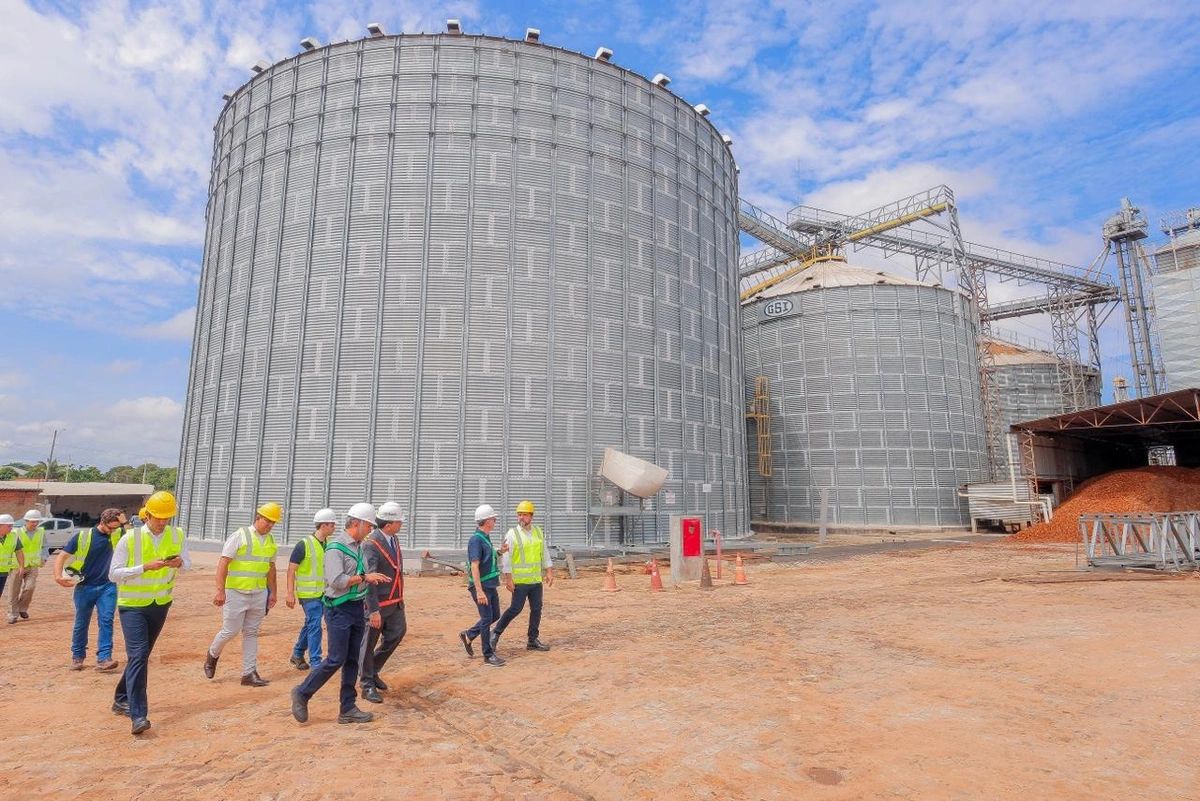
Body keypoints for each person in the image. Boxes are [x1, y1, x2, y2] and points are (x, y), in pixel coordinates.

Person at [290, 503, 386, 725]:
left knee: (352, 659)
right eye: (368, 526)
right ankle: (302, 692)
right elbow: (336, 581)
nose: (370, 530)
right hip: (338, 609)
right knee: (335, 658)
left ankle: (348, 707)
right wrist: (364, 578)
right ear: (356, 523)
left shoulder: (360, 547)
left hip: (356, 607)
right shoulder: (336, 548)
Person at [109, 490, 190, 735]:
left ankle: (121, 697)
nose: (163, 522)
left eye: (167, 518)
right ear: (148, 515)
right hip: (132, 606)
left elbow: (187, 563)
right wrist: (144, 567)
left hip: (160, 604)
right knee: (139, 655)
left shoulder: (177, 535)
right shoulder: (129, 539)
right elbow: (113, 574)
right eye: (159, 518)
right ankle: (138, 715)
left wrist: (179, 563)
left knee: (140, 657)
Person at [203, 502, 281, 687]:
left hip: (258, 592)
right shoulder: (240, 536)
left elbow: (271, 569)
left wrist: (273, 592)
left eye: (273, 522)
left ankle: (248, 673)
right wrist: (220, 590)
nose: (270, 525)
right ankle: (212, 655)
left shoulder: (270, 541)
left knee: (251, 632)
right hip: (235, 592)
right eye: (267, 520)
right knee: (230, 631)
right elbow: (223, 563)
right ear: (257, 518)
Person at [52, 508, 126, 671]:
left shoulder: (118, 534)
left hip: (108, 586)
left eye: (116, 528)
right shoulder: (83, 536)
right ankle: (77, 656)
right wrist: (58, 576)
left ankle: (104, 658)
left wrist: (124, 522)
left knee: (106, 621)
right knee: (81, 622)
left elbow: (135, 540)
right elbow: (62, 556)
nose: (113, 531)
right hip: (84, 587)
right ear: (102, 522)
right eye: (111, 528)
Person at [359, 501, 407, 704]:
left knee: (397, 634)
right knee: (368, 643)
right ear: (388, 524)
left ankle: (373, 668)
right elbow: (370, 578)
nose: (401, 525)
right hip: (378, 604)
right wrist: (373, 610)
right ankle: (366, 683)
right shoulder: (371, 544)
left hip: (395, 602)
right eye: (398, 522)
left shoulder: (393, 539)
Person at [491, 500, 554, 654]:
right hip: (520, 581)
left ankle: (532, 640)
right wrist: (508, 579)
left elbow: (544, 553)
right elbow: (506, 557)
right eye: (519, 514)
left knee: (537, 609)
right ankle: (495, 634)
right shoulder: (512, 534)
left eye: (524, 514)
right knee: (515, 608)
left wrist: (549, 571)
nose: (521, 517)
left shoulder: (538, 532)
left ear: (531, 516)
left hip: (535, 580)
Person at [286, 508, 336, 671]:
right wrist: (290, 593)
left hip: (323, 593)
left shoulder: (328, 544)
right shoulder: (304, 544)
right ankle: (316, 661)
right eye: (332, 525)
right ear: (323, 525)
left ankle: (297, 653)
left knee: (310, 623)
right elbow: (291, 569)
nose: (334, 528)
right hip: (308, 594)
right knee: (315, 624)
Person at [458, 504, 508, 667]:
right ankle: (488, 654)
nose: (494, 521)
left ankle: (469, 635)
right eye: (493, 518)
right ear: (487, 521)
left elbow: (488, 557)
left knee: (495, 615)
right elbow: (474, 565)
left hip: (490, 584)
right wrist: (479, 591)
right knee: (487, 618)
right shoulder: (475, 540)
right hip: (482, 586)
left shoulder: (485, 537)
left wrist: (500, 551)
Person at [8, 510, 46, 624]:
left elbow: (45, 546)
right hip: (17, 566)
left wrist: (44, 557)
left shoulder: (41, 532)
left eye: (37, 522)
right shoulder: (15, 532)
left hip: (33, 565)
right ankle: (12, 614)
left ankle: (22, 608)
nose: (35, 524)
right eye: (32, 522)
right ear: (26, 521)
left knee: (30, 587)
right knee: (14, 590)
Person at [0, 514, 25, 600]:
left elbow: (19, 552)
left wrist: (21, 566)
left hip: (3, 572)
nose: (11, 527)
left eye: (12, 525)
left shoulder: (13, 537)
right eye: (9, 526)